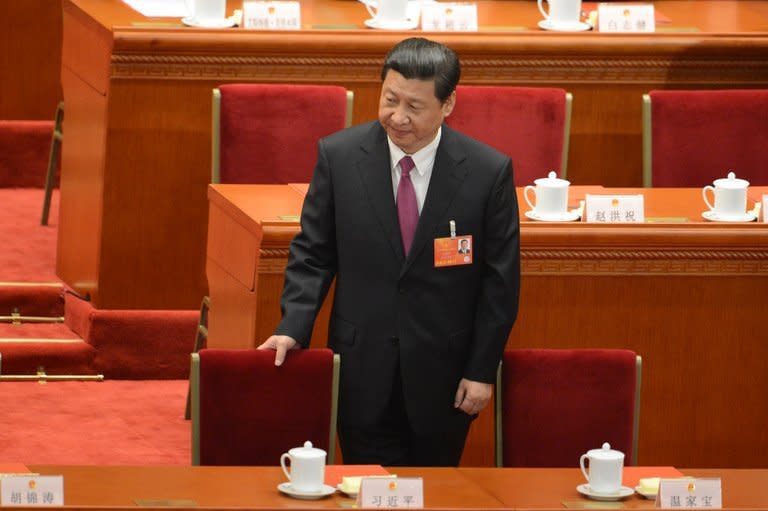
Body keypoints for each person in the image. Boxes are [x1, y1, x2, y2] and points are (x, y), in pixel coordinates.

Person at [259, 37, 520, 466]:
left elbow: (500, 283)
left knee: (433, 491)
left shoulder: (488, 172)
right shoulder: (338, 157)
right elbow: (313, 253)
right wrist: (294, 324)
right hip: (361, 366)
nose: (397, 117)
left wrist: (480, 369)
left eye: (414, 107)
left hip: (445, 378)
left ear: (448, 105)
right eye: (390, 99)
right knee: (366, 489)